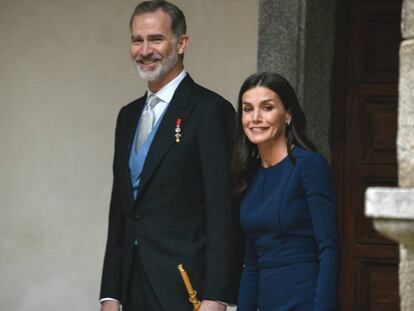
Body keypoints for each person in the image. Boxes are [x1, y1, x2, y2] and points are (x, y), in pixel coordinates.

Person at [99, 1, 242, 311]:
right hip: (131, 283)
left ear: (182, 44)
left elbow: (223, 210)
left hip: (184, 286)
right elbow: (121, 210)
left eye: (156, 39)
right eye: (137, 40)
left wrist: (216, 296)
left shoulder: (209, 110)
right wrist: (110, 293)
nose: (144, 49)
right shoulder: (127, 116)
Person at [231, 72, 339, 310]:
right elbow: (252, 263)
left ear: (287, 114)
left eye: (267, 107)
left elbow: (329, 249)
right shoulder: (249, 174)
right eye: (248, 109)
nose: (255, 118)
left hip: (305, 300)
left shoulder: (309, 165)